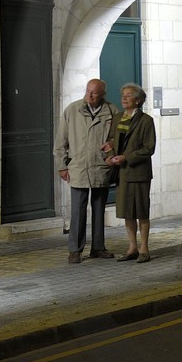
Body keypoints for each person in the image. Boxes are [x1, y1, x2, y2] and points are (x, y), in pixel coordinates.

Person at [56, 78, 118, 264]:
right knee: (78, 211)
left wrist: (112, 147)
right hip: (79, 167)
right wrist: (62, 165)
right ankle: (75, 250)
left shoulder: (112, 111)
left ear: (103, 95)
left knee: (99, 209)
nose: (90, 95)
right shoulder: (72, 110)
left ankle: (98, 247)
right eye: (88, 91)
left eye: (95, 93)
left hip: (101, 167)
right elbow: (61, 141)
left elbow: (118, 138)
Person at [106, 82, 157, 262]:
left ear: (138, 100)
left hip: (139, 173)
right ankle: (132, 247)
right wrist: (111, 154)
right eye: (123, 95)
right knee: (127, 212)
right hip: (122, 173)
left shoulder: (146, 121)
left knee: (141, 211)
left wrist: (126, 157)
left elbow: (149, 148)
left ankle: (144, 248)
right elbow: (112, 141)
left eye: (128, 95)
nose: (124, 98)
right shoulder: (119, 117)